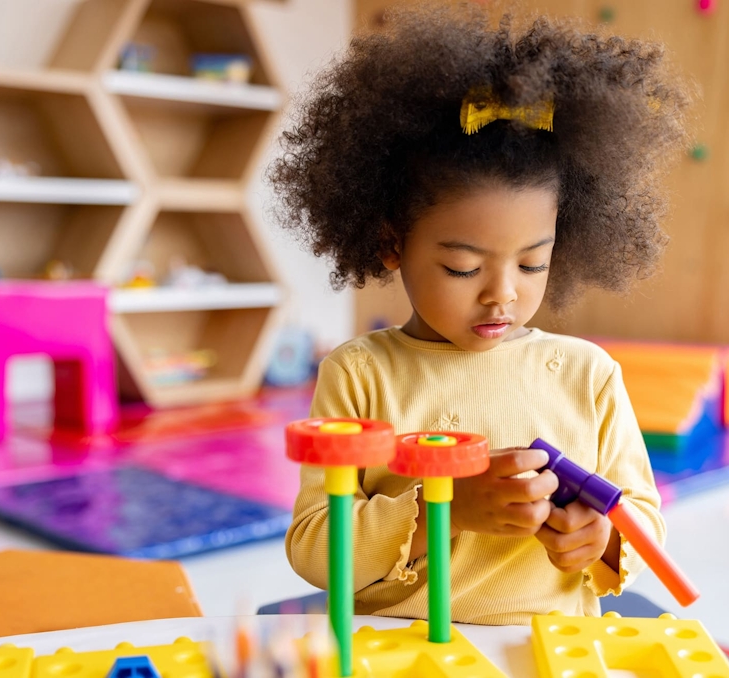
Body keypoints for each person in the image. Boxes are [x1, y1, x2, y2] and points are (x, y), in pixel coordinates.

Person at [268, 2, 689, 624]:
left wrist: (600, 540)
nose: (502, 294)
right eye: (464, 268)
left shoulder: (588, 375)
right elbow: (313, 550)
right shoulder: (359, 375)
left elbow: (641, 521)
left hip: (545, 652)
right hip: (402, 652)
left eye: (532, 263)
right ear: (391, 244)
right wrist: (446, 509)